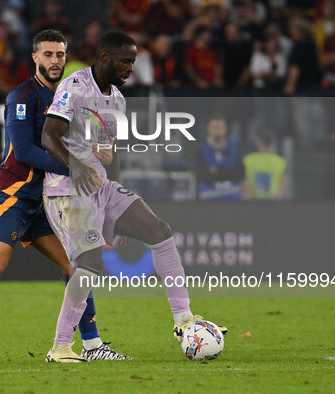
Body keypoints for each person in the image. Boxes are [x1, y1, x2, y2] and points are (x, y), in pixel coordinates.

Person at [0, 30, 130, 365]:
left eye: (60, 55)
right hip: (12, 192)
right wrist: (78, 167)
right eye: (49, 55)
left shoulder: (72, 96)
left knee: (75, 265)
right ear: (35, 58)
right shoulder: (22, 96)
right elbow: (23, 151)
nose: (55, 61)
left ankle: (93, 345)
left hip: (45, 200)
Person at [40, 31, 226, 363]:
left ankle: (184, 321)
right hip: (67, 191)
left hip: (100, 188)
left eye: (134, 62)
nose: (130, 69)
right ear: (105, 57)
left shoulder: (117, 100)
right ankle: (60, 346)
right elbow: (49, 136)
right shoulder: (75, 87)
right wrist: (77, 167)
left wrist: (117, 204)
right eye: (125, 61)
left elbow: (115, 151)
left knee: (159, 231)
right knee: (89, 266)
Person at [195, 115, 245, 201]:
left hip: (233, 198)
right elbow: (200, 175)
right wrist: (228, 173)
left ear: (226, 128)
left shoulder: (235, 147)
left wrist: (217, 172)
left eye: (220, 126)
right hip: (208, 198)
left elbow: (240, 174)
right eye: (214, 127)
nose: (217, 129)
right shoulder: (201, 150)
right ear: (208, 129)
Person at [243, 131, 287, 200]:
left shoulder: (248, 160)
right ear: (272, 144)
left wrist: (250, 199)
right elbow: (282, 183)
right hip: (273, 204)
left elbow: (245, 181)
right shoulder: (280, 162)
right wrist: (276, 199)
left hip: (252, 204)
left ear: (259, 143)